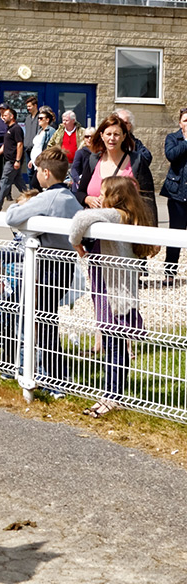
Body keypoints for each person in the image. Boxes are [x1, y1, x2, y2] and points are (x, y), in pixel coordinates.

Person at [70, 175, 162, 418]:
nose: (98, 198)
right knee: (115, 344)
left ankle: (111, 396)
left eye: (103, 194)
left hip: (114, 292)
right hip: (110, 289)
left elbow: (81, 218)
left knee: (114, 345)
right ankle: (112, 394)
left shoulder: (116, 215)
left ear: (117, 197)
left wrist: (75, 242)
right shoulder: (125, 215)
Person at [5, 147, 78, 394]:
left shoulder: (48, 198)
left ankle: (55, 380)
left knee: (44, 321)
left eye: (37, 171)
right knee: (47, 319)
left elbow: (13, 215)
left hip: (48, 266)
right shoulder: (71, 197)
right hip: (65, 264)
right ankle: (51, 376)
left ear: (46, 173)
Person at [75, 114, 157, 225]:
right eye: (108, 134)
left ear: (124, 136)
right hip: (94, 229)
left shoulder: (136, 161)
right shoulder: (93, 160)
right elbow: (80, 192)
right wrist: (87, 199)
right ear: (102, 135)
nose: (112, 138)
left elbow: (148, 201)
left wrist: (151, 233)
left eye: (116, 134)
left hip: (126, 228)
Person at [160, 108, 187, 283]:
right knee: (175, 235)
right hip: (177, 194)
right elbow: (171, 155)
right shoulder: (173, 138)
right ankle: (170, 273)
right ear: (180, 123)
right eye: (186, 120)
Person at [0, 105, 25, 211]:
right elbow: (5, 145)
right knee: (19, 183)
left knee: (4, 181)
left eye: (5, 115)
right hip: (9, 160)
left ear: (12, 116)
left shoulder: (16, 129)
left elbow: (20, 144)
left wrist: (17, 160)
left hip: (13, 161)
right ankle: (33, 200)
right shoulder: (9, 129)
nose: (3, 117)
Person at [28, 106, 56, 185]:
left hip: (43, 162)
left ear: (47, 120)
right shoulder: (40, 130)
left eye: (41, 118)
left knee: (36, 183)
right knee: (35, 184)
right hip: (35, 162)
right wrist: (32, 160)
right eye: (38, 118)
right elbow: (37, 146)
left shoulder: (51, 131)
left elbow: (51, 147)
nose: (39, 120)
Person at [21, 96, 40, 188]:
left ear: (35, 106)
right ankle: (31, 190)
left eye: (29, 106)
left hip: (36, 149)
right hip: (28, 148)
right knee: (29, 172)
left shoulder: (40, 118)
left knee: (36, 171)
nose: (28, 108)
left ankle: (36, 191)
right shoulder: (28, 118)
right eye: (27, 106)